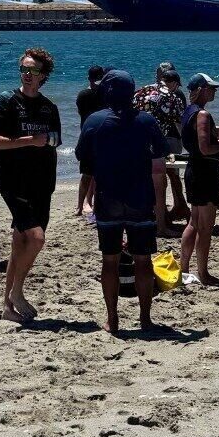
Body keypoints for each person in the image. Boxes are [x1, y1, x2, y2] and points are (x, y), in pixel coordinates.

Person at [76, 70, 167, 333]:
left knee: (110, 261)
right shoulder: (146, 121)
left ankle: (112, 318)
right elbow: (160, 150)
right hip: (140, 196)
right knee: (143, 260)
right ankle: (145, 318)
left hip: (108, 196)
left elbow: (83, 154)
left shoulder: (95, 120)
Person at [0, 47, 62, 322]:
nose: (27, 74)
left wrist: (45, 141)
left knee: (20, 242)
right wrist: (28, 140)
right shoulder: (6, 101)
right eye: (24, 69)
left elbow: (54, 141)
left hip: (42, 181)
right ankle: (17, 291)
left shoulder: (48, 107)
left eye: (33, 70)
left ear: (43, 75)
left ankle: (8, 307)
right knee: (37, 238)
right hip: (12, 180)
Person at [178, 72, 219, 286]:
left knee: (194, 221)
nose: (214, 91)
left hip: (193, 170)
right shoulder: (202, 115)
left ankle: (184, 267)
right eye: (211, 88)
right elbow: (205, 148)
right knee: (206, 226)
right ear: (200, 90)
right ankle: (203, 272)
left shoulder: (188, 111)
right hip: (205, 172)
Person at [135, 66, 190, 237]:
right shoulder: (172, 97)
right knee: (158, 187)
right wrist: (190, 145)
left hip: (136, 143)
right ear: (173, 83)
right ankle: (161, 227)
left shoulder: (143, 91)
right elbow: (180, 125)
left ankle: (141, 221)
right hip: (155, 146)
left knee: (141, 185)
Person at [74, 65, 107, 216]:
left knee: (91, 175)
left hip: (89, 137)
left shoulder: (84, 95)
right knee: (88, 175)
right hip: (94, 138)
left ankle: (83, 206)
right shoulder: (101, 95)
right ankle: (81, 205)